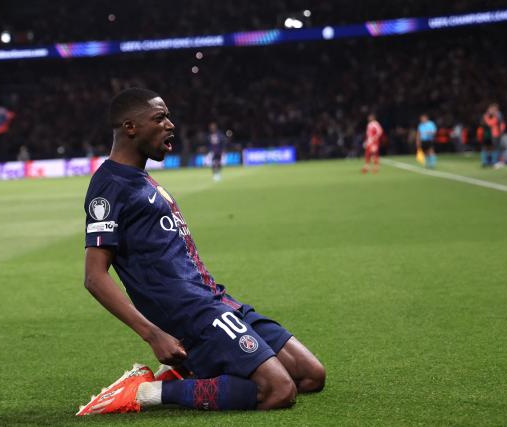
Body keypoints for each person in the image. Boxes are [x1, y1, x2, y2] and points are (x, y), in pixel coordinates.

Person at [77, 88, 325, 415]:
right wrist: (153, 334)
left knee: (311, 376)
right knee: (278, 391)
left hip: (215, 299)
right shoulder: (109, 186)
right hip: (191, 313)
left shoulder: (143, 180)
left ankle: (190, 370)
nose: (170, 125)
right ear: (130, 127)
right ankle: (147, 391)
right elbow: (94, 277)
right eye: (159, 117)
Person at [481, 103, 506, 168]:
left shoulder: (497, 115)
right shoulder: (488, 115)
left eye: (494, 109)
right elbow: (488, 123)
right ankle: (487, 162)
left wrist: (501, 131)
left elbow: (499, 124)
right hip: (488, 134)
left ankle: (494, 162)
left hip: (495, 134)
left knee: (495, 148)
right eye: (491, 109)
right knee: (487, 148)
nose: (492, 110)